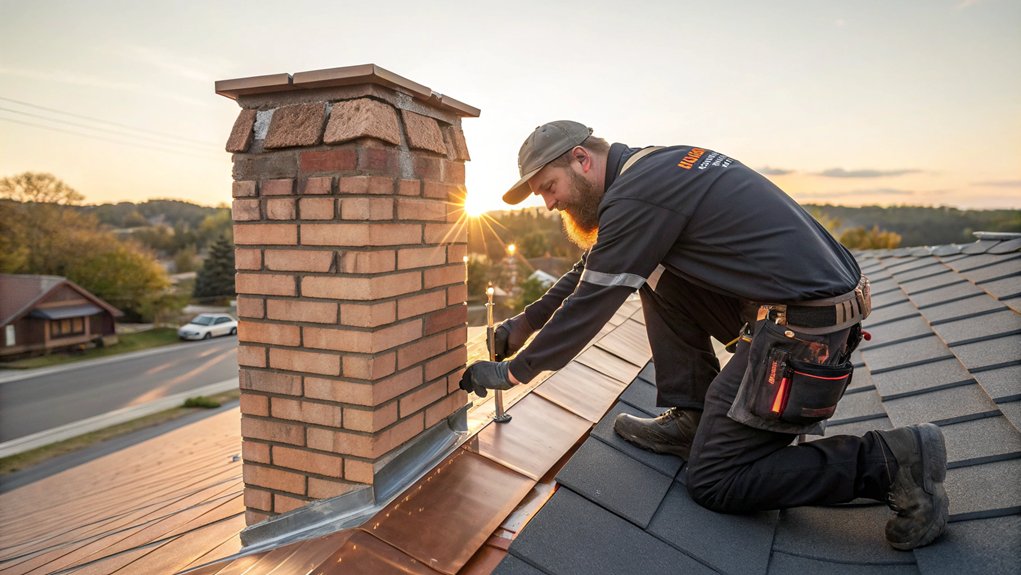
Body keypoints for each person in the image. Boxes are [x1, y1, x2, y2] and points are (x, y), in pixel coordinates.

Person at [459, 121, 949, 550]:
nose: (549, 204)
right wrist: (523, 325)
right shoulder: (653, 169)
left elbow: (592, 300)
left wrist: (514, 372)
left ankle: (892, 461)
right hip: (798, 312)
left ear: (581, 160)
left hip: (804, 336)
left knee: (717, 481)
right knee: (649, 271)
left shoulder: (638, 195)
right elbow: (598, 266)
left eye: (549, 187)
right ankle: (693, 416)